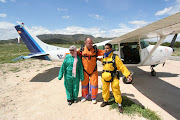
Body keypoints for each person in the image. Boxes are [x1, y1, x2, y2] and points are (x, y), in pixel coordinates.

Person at [100, 43, 132, 113]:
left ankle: (119, 104)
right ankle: (105, 101)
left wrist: (127, 75)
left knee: (116, 89)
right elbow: (103, 62)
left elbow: (121, 66)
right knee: (105, 89)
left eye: (107, 48)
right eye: (105, 48)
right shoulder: (104, 57)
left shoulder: (115, 57)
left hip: (113, 76)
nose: (106, 49)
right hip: (105, 76)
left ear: (111, 49)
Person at [78, 37, 105, 104]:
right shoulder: (81, 50)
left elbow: (103, 52)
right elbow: (74, 54)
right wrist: (67, 55)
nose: (90, 44)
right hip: (85, 70)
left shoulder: (95, 50)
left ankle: (93, 97)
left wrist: (110, 51)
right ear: (85, 43)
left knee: (94, 84)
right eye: (89, 43)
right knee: (84, 84)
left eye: (91, 43)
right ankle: (84, 96)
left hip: (94, 71)